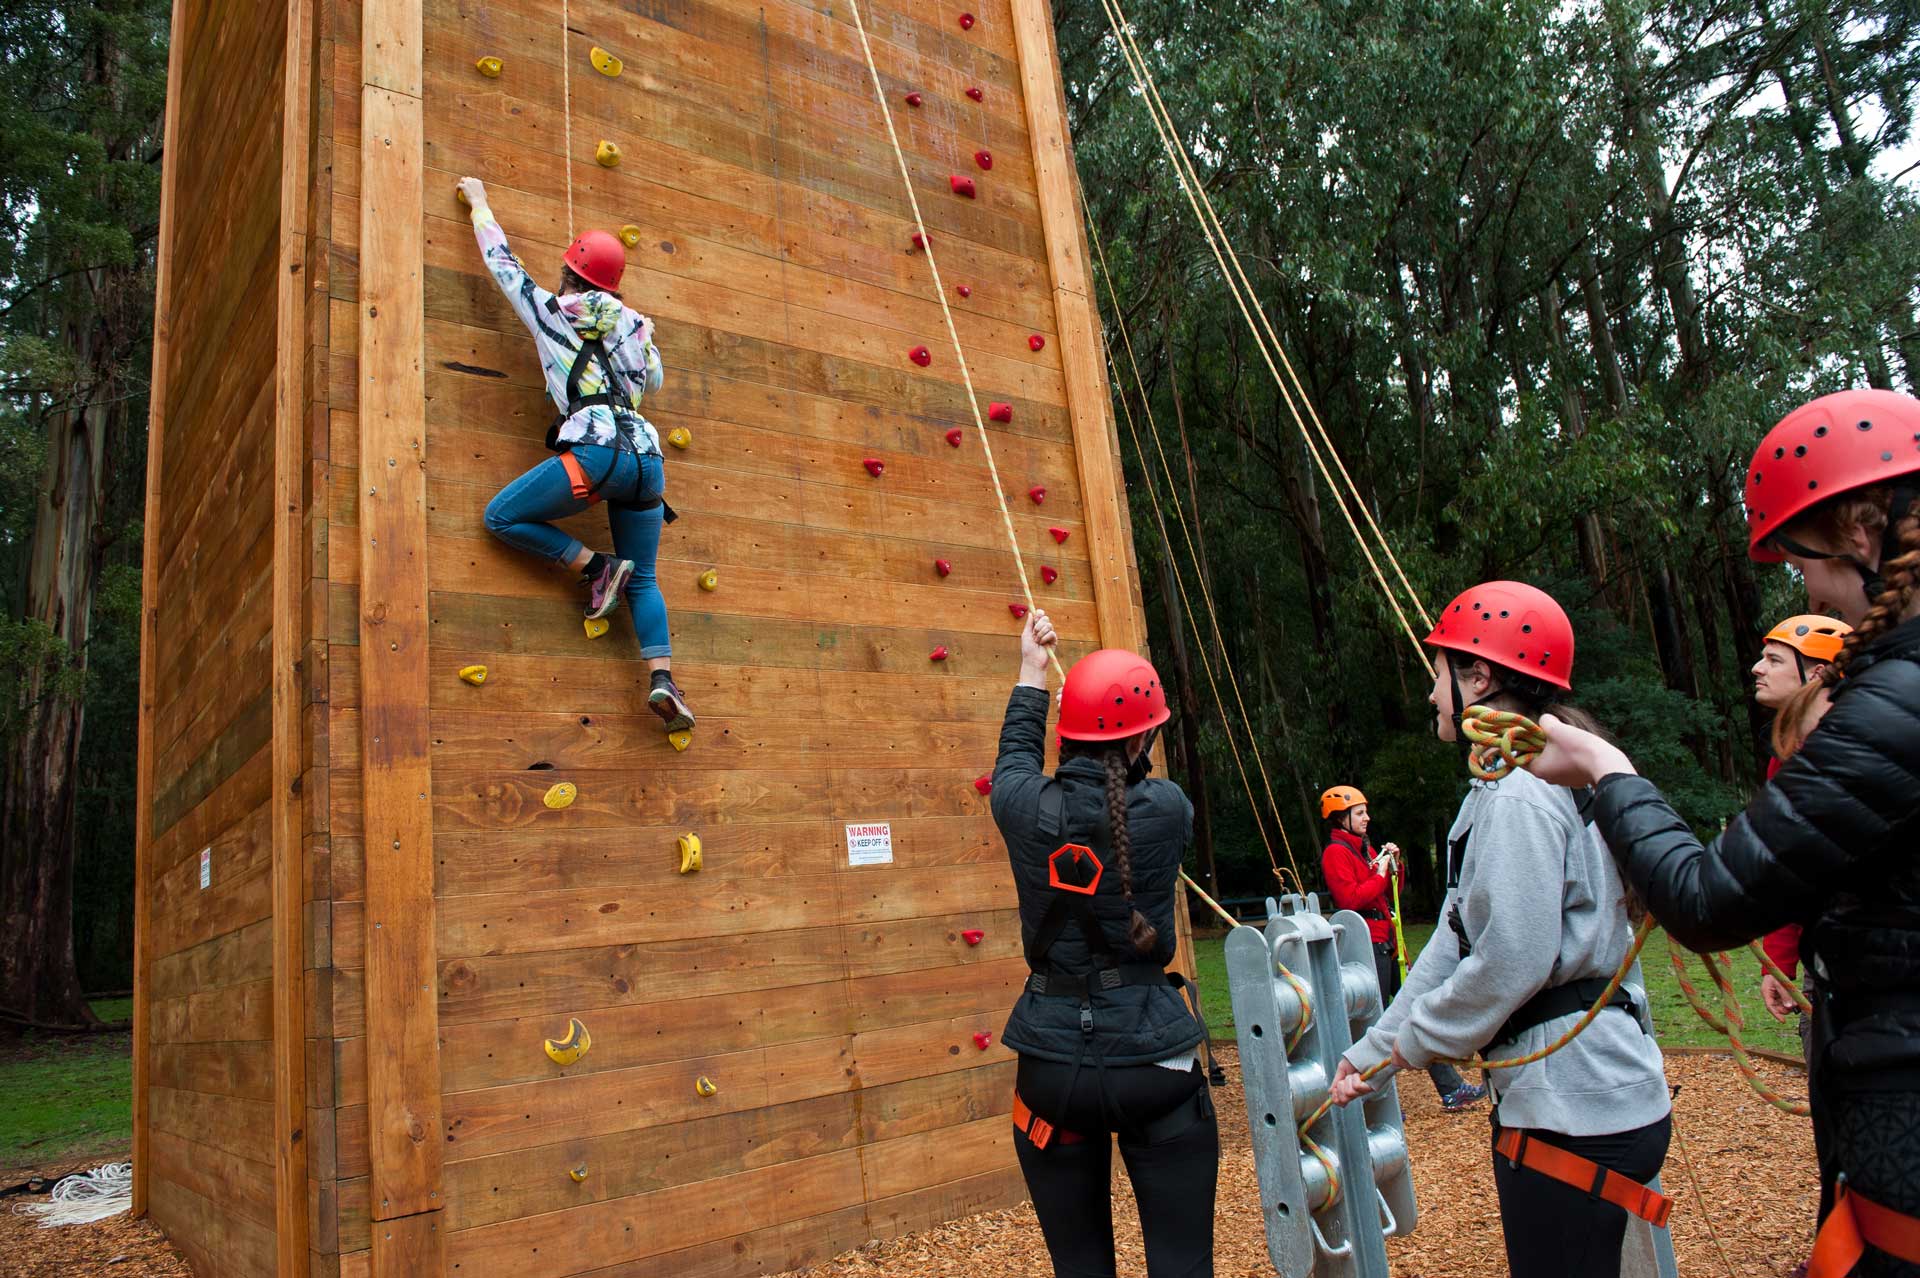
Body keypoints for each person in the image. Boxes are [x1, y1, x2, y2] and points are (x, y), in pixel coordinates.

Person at [1527, 388, 1920, 1277]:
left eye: (1802, 559)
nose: (1807, 586)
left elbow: (1708, 900)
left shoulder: (1891, 709)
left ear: (1860, 532)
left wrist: (1609, 770)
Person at [1328, 581, 1670, 1278]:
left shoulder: (1520, 795)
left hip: (1573, 1105)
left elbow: (1509, 959)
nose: (1431, 697)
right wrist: (1373, 1052)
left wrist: (1415, 1044)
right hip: (1595, 1091)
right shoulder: (1541, 775)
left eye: (1438, 677)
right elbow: (1454, 941)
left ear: (1479, 678)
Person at [991, 609, 1218, 1278]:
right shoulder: (1169, 809)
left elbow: (1014, 763)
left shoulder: (1020, 807)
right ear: (1140, 741)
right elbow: (1121, 795)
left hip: (1051, 1069)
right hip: (1154, 1067)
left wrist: (1032, 671)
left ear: (1068, 733)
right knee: (1183, 1266)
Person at [457, 176, 694, 733]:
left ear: (569, 273)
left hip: (594, 454)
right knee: (648, 578)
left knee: (502, 516)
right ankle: (662, 678)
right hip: (647, 463)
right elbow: (654, 379)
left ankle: (595, 567)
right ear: (616, 285)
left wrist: (480, 201)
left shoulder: (549, 310)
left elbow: (501, 261)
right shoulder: (638, 329)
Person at [1319, 785, 1486, 1111]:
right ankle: (1376, 1102)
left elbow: (1385, 891)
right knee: (1374, 1018)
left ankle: (1450, 1088)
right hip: (1368, 944)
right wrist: (1381, 875)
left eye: (1365, 811)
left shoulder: (1363, 850)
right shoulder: (1336, 853)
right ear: (1342, 819)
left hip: (1386, 941)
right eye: (1360, 813)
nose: (1367, 818)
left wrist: (1394, 866)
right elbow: (1350, 899)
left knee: (1419, 1008)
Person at [1750, 615, 1851, 1053]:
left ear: (1815, 674)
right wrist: (1778, 959)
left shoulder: (1861, 749)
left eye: (1773, 659)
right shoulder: (1787, 759)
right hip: (1826, 955)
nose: (1757, 667)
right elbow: (1791, 865)